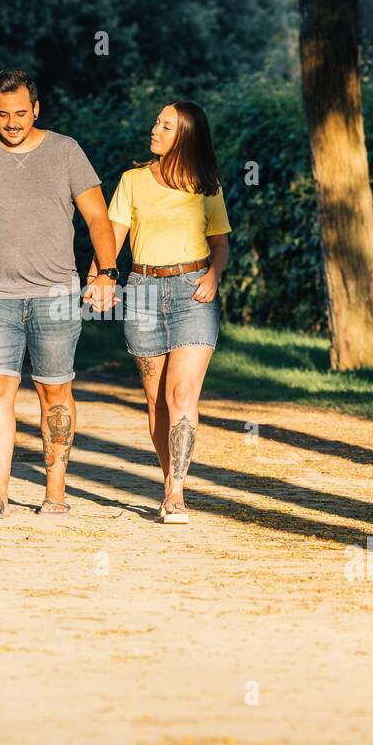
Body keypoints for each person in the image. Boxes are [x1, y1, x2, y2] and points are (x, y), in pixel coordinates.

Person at [0, 69, 119, 518]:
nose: (11, 122)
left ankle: (55, 494)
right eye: (2, 114)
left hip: (55, 294)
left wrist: (107, 273)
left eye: (20, 113)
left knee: (55, 392)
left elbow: (97, 218)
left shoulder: (66, 151)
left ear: (37, 108)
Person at [89, 102, 231, 525]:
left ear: (184, 136)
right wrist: (101, 278)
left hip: (193, 293)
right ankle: (168, 476)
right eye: (156, 122)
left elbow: (220, 242)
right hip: (144, 291)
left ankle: (176, 493)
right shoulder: (133, 181)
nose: (155, 129)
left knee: (182, 393)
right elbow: (110, 237)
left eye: (165, 126)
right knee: (156, 403)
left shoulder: (208, 185)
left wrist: (214, 276)